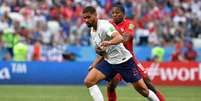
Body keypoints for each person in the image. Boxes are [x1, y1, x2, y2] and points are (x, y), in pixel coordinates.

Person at [82, 6, 159, 101]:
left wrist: (109, 42)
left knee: (143, 90)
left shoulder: (104, 25)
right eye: (84, 18)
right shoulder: (92, 31)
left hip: (124, 61)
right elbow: (102, 51)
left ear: (95, 15)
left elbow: (120, 38)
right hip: (110, 62)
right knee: (89, 81)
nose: (86, 20)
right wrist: (96, 59)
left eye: (88, 17)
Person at [106, 4, 165, 101]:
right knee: (111, 85)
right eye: (113, 13)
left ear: (124, 14)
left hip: (130, 59)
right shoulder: (108, 24)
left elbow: (127, 36)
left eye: (117, 13)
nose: (115, 15)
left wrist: (117, 39)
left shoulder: (130, 23)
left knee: (148, 83)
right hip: (115, 59)